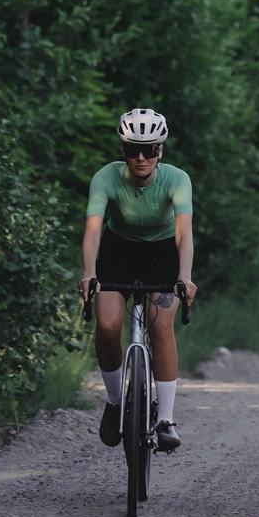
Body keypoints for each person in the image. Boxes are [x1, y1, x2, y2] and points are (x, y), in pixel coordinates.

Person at [79, 107, 197, 452]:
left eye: (149, 150)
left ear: (160, 149)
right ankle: (115, 402)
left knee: (161, 326)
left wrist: (185, 276)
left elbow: (184, 234)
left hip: (162, 252)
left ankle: (166, 420)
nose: (141, 158)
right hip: (119, 252)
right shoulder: (105, 177)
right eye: (133, 150)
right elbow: (93, 231)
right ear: (123, 150)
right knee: (107, 325)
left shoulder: (177, 179)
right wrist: (88, 273)